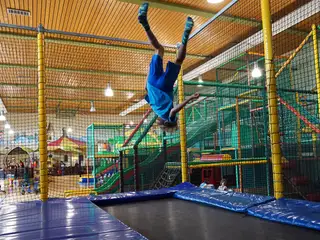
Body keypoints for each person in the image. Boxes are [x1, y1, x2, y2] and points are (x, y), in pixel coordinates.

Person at [138, 3, 200, 133]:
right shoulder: (154, 108)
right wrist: (149, 74)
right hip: (151, 83)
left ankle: (185, 38)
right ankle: (144, 24)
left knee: (179, 60)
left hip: (164, 87)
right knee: (159, 49)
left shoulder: (169, 117)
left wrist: (191, 98)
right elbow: (145, 91)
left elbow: (173, 110)